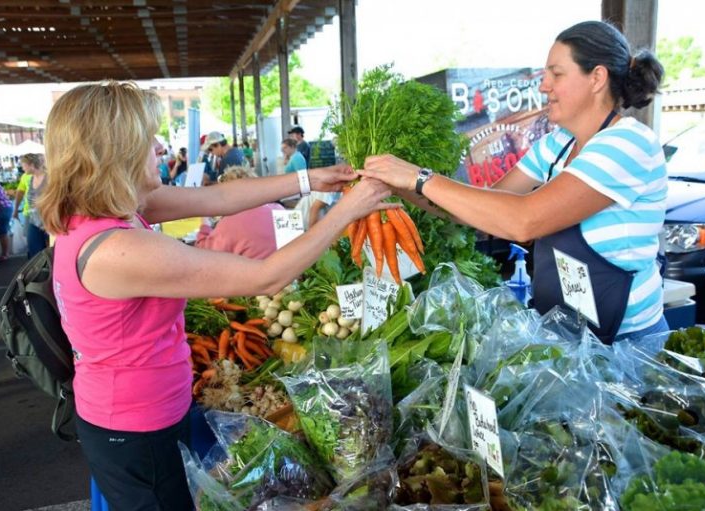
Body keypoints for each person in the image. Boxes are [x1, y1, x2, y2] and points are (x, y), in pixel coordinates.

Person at [36, 80, 393, 510]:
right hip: (136, 427)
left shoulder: (105, 213)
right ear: (117, 153)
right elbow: (265, 277)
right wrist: (350, 210)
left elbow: (216, 196)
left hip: (141, 410)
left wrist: (307, 179)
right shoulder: (118, 250)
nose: (160, 149)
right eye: (148, 140)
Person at [362, 20, 667, 345]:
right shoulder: (558, 144)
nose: (543, 86)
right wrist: (401, 187)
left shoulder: (628, 144)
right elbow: (485, 207)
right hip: (568, 336)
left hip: (627, 346)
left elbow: (523, 220)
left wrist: (418, 177)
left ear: (596, 78)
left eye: (556, 74)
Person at [195, 166, 284, 258]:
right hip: (287, 270)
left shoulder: (231, 223)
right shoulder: (279, 209)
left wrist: (204, 222)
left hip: (252, 271)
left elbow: (203, 253)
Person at [16, 153, 49, 259]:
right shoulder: (29, 179)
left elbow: (57, 198)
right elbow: (22, 194)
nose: (22, 167)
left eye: (23, 165)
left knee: (53, 250)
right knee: (34, 250)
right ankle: (39, 273)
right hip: (33, 220)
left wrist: (42, 203)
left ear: (31, 165)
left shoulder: (49, 178)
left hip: (48, 220)